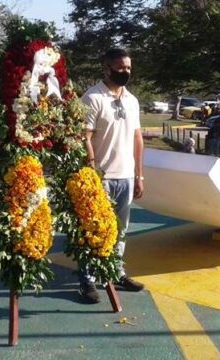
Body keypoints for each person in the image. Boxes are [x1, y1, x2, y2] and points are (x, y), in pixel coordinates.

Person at [80, 48, 144, 303]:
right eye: (120, 67)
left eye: (128, 67)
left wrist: (140, 175)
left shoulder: (132, 100)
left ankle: (116, 271)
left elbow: (137, 138)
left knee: (120, 229)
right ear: (106, 68)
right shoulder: (92, 98)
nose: (125, 72)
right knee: (93, 229)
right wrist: (93, 172)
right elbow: (84, 138)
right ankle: (87, 280)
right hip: (101, 178)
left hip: (126, 177)